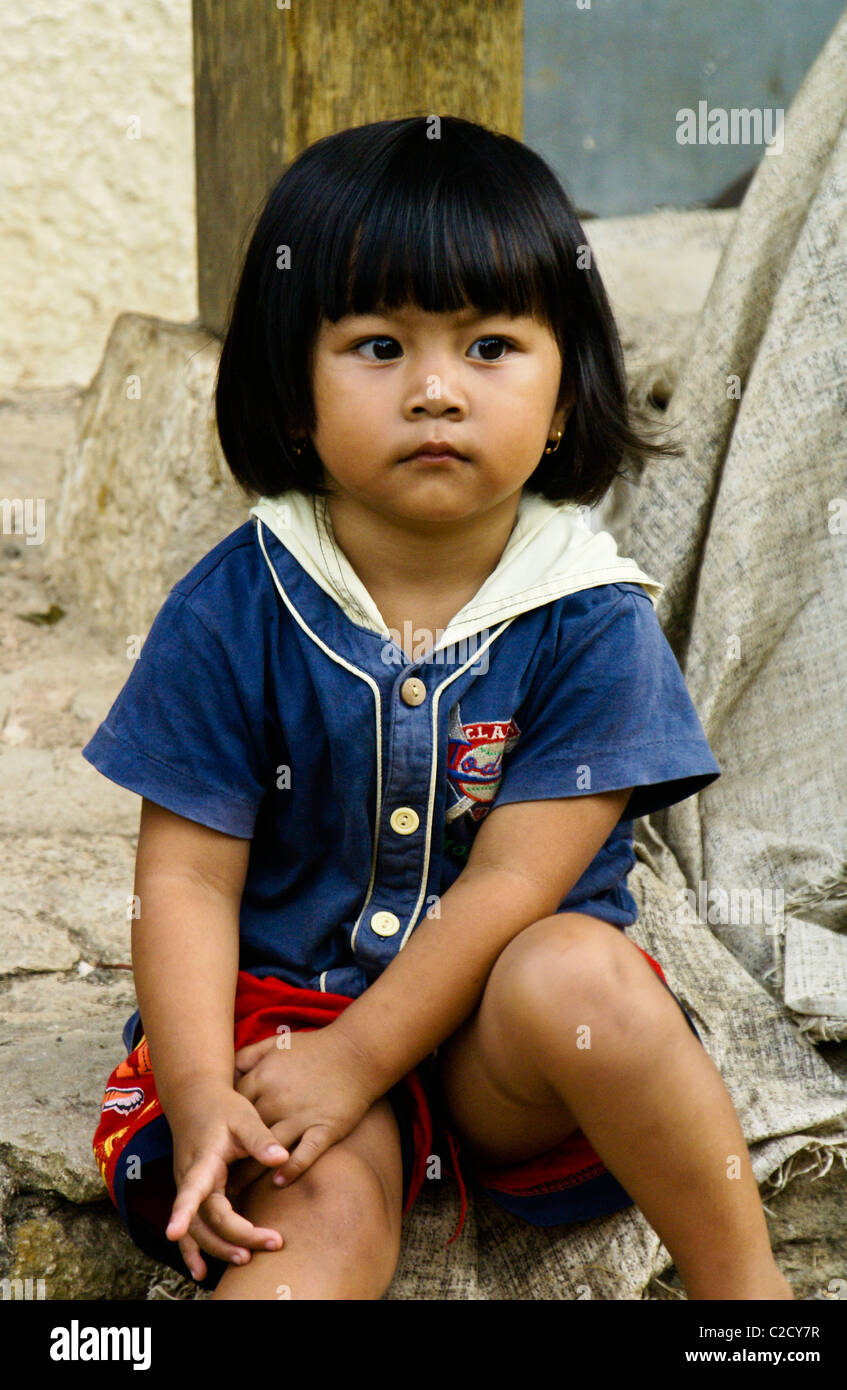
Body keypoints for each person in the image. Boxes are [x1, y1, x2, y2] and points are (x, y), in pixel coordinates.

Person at [85, 115, 794, 1300]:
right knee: (316, 1221)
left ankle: (752, 1304)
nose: (434, 391)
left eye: (490, 347)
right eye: (377, 344)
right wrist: (209, 1091)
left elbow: (515, 885)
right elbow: (188, 881)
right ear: (292, 390)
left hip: (498, 1047)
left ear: (566, 392)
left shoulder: (590, 617)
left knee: (583, 975)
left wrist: (371, 1053)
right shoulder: (237, 606)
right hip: (285, 1030)